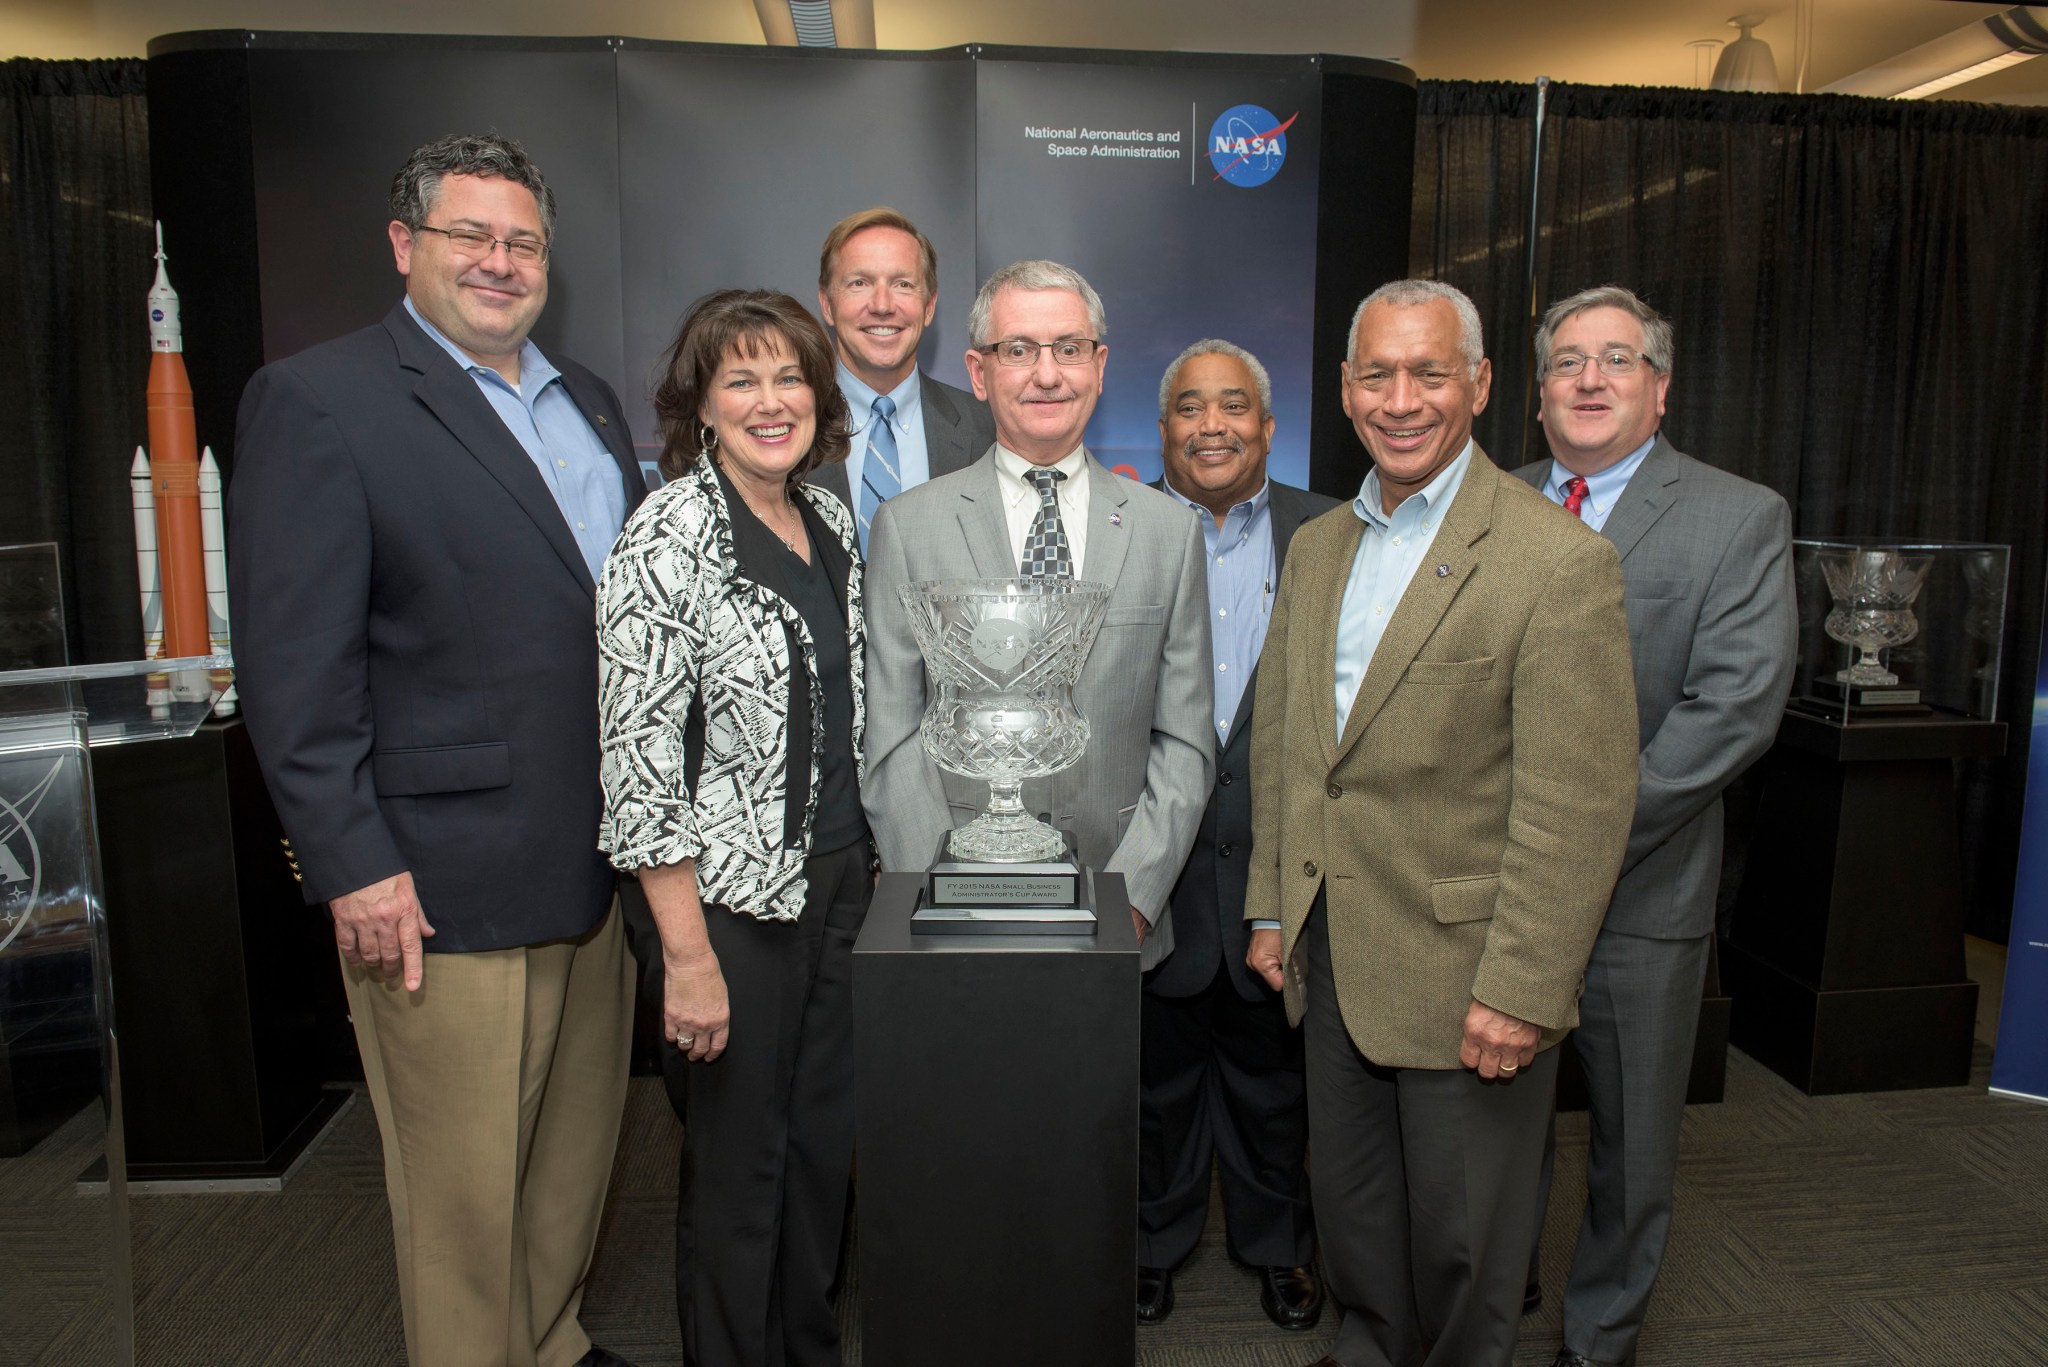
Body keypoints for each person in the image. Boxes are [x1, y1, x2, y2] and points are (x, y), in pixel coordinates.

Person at [228, 133, 645, 1367]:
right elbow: (296, 670)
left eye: (521, 240)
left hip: (601, 861)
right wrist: (351, 862)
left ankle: (549, 1336)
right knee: (461, 1189)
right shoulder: (320, 399)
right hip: (440, 878)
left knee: (573, 1153)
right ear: (405, 245)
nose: (499, 261)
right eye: (470, 235)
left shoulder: (590, 403)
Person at [1244, 278, 1639, 1367]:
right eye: (1376, 373)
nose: (1400, 398)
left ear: (1478, 384)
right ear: (1343, 388)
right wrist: (1273, 907)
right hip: (1332, 957)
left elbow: (1577, 804)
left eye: (1427, 372)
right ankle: (1371, 1343)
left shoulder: (1554, 562)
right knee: (1357, 1210)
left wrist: (1519, 987)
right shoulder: (1317, 544)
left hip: (1470, 977)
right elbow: (1289, 747)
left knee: (1468, 1245)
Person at [1512, 285, 1796, 1367]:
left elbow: (1731, 709)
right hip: (1493, 889)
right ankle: (1499, 1295)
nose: (1589, 379)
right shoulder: (1490, 502)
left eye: (1616, 360)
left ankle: (1597, 1338)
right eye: (1566, 362)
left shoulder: (1736, 514)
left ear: (1658, 386)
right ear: (1536, 393)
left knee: (1630, 1151)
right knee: (1494, 1129)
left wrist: (1576, 836)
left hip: (1641, 888)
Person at [597, 289, 868, 1367]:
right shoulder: (667, 529)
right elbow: (636, 759)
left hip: (842, 884)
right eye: (740, 379)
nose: (770, 400)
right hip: (726, 908)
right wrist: (686, 956)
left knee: (817, 1155)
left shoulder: (831, 518)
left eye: (789, 377)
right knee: (738, 1169)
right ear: (699, 404)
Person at [862, 258, 1213, 968]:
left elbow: (1185, 741)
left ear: (1100, 365)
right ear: (979, 371)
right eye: (1018, 349)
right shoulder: (908, 526)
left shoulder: (1169, 532)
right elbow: (893, 737)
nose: (1046, 373)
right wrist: (944, 885)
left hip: (1117, 910)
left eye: (1069, 348)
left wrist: (1133, 900)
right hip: (952, 905)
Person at [1138, 339, 1334, 1329]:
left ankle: (1276, 1248)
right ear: (1159, 427)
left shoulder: (1332, 532)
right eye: (1187, 406)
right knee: (1150, 1088)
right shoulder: (1116, 531)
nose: (1210, 423)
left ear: (1265, 422)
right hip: (1152, 879)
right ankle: (1149, 1244)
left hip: (1278, 872)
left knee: (1273, 1088)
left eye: (1232, 406)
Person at [812, 207, 995, 549]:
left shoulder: (986, 427)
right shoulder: (787, 426)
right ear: (826, 304)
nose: (882, 305)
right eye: (859, 283)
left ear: (929, 307)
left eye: (903, 284)